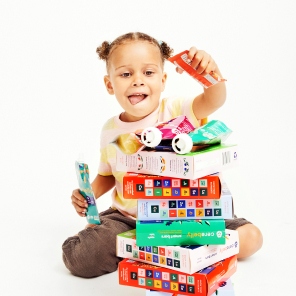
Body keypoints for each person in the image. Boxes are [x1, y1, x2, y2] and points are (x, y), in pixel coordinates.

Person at [62, 32, 263, 278]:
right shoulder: (110, 131)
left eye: (148, 72)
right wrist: (88, 195)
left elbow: (214, 99)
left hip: (187, 217)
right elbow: (107, 175)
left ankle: (163, 247)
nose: (137, 81)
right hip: (130, 220)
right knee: (81, 258)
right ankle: (152, 247)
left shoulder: (176, 109)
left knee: (251, 238)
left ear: (163, 79)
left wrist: (211, 74)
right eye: (126, 74)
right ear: (109, 84)